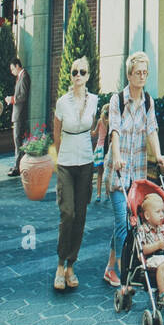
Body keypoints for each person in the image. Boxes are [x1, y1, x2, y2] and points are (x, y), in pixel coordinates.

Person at [102, 51, 164, 288]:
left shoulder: (148, 102)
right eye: (138, 72)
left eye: (145, 73)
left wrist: (158, 154)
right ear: (129, 74)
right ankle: (123, 271)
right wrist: (118, 156)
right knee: (123, 222)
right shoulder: (117, 101)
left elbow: (152, 130)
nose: (142, 76)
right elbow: (115, 131)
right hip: (118, 173)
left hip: (137, 175)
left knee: (128, 223)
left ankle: (110, 267)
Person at [53, 56, 99, 291]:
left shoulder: (94, 101)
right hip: (66, 163)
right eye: (74, 72)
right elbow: (57, 134)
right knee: (67, 213)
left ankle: (71, 265)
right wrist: (61, 158)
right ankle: (60, 264)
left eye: (82, 72)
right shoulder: (62, 102)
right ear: (70, 76)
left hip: (86, 162)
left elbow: (94, 129)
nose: (78, 76)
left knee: (81, 215)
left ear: (88, 75)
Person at [6, 57, 30, 177]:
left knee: (18, 141)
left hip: (20, 114)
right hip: (18, 113)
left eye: (12, 69)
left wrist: (12, 99)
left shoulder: (24, 76)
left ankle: (18, 166)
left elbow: (23, 96)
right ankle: (18, 164)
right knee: (18, 141)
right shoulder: (20, 77)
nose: (12, 72)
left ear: (17, 66)